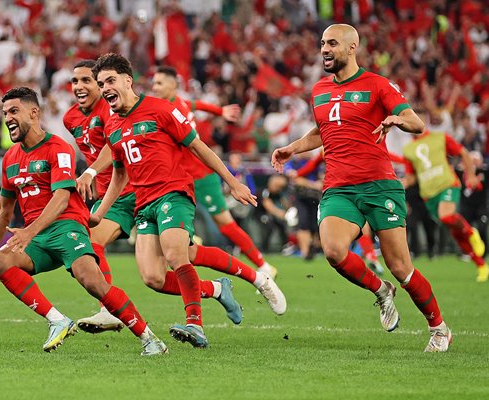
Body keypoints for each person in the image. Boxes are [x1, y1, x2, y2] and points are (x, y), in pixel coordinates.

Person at [67, 60, 286, 333]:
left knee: (177, 253)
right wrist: (99, 212)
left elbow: (198, 146)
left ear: (128, 80)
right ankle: (237, 282)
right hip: (143, 203)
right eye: (101, 84)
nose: (105, 88)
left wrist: (231, 181)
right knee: (154, 277)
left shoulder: (161, 109)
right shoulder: (110, 124)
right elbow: (119, 173)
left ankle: (195, 324)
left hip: (174, 191)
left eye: (109, 81)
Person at [271, 24, 452, 352]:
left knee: (401, 267)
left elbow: (417, 122)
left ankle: (439, 328)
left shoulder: (377, 85)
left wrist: (397, 120)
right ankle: (381, 291)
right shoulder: (319, 90)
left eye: (333, 44)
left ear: (352, 48)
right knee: (334, 251)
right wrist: (292, 148)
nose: (325, 49)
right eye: (323, 43)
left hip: (380, 186)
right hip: (339, 187)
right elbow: (321, 130)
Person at [0, 87, 167, 356]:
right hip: (37, 237)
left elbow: (62, 198)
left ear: (34, 113)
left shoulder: (58, 148)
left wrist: (29, 232)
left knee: (93, 283)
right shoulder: (10, 158)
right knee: (2, 260)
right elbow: (3, 210)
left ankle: (150, 338)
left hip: (66, 226)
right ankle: (58, 320)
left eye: (14, 111)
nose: (8, 118)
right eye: (5, 113)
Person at [151, 66, 279, 279]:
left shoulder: (175, 110)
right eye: (154, 83)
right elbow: (196, 104)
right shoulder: (179, 103)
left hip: (201, 176)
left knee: (226, 225)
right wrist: (219, 111)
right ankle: (186, 244)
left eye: (159, 83)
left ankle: (263, 266)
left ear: (173, 85)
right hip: (184, 177)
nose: (154, 88)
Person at [401, 111, 489, 282]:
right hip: (429, 195)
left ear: (424, 121)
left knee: (447, 216)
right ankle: (481, 265)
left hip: (448, 185)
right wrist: (400, 183)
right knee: (455, 232)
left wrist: (470, 175)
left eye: (419, 118)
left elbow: (463, 153)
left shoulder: (440, 137)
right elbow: (412, 177)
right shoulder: (408, 150)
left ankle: (472, 232)